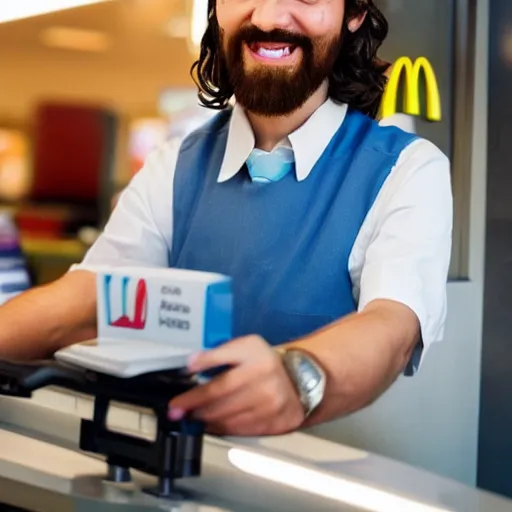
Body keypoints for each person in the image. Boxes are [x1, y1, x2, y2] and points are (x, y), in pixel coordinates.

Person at [0, 0, 452, 437]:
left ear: (353, 13)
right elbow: (86, 304)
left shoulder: (406, 169)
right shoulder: (174, 167)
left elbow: (391, 326)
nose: (270, 15)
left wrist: (295, 377)